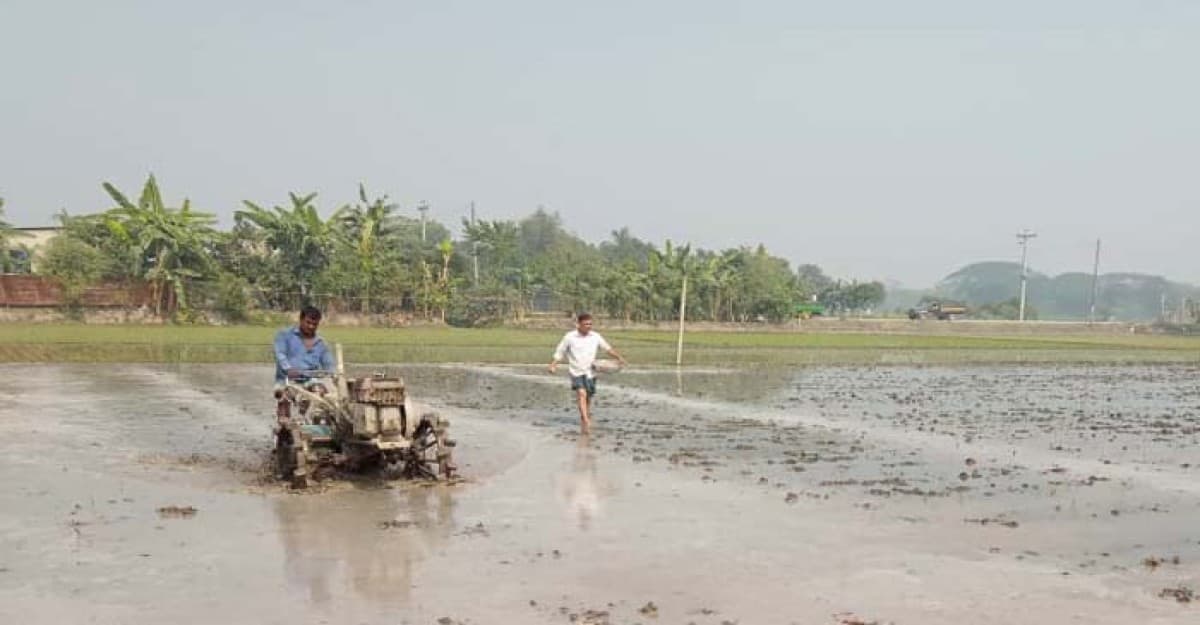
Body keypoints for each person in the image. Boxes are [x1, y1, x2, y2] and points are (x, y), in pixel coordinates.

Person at [548, 312, 627, 434]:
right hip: (576, 371)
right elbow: (561, 351)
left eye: (590, 324)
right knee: (581, 393)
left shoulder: (595, 336)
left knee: (589, 395)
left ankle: (585, 413)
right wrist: (553, 364)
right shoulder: (570, 337)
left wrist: (619, 357)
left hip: (591, 371)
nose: (588, 326)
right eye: (586, 324)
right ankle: (585, 419)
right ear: (578, 324)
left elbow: (607, 348)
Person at [273, 305, 335, 423]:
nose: (311, 326)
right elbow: (280, 354)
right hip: (287, 380)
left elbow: (329, 363)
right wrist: (289, 368)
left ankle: (317, 423)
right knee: (284, 394)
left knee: (323, 394)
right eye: (308, 323)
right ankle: (283, 423)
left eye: (315, 324)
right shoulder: (285, 335)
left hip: (310, 380)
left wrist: (334, 374)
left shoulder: (320, 343)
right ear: (301, 320)